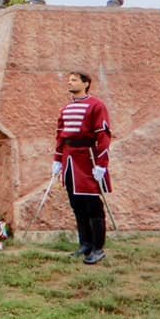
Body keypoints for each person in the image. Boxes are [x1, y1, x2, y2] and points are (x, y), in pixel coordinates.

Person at [52, 71, 112, 265]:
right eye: (69, 80)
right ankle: (85, 244)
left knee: (92, 204)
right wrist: (57, 160)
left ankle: (98, 248)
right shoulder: (65, 108)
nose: (70, 82)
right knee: (76, 204)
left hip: (88, 159)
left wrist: (102, 165)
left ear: (86, 84)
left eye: (74, 80)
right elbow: (60, 136)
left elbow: (103, 136)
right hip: (69, 158)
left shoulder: (96, 105)